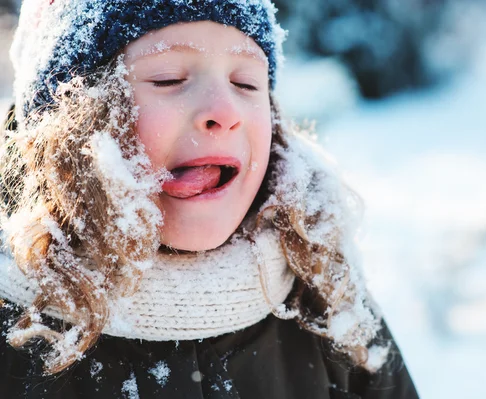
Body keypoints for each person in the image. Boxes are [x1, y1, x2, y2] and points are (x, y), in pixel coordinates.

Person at [0, 1, 420, 398]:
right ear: (67, 124)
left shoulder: (328, 302)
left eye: (246, 83)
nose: (225, 109)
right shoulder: (14, 333)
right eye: (168, 78)